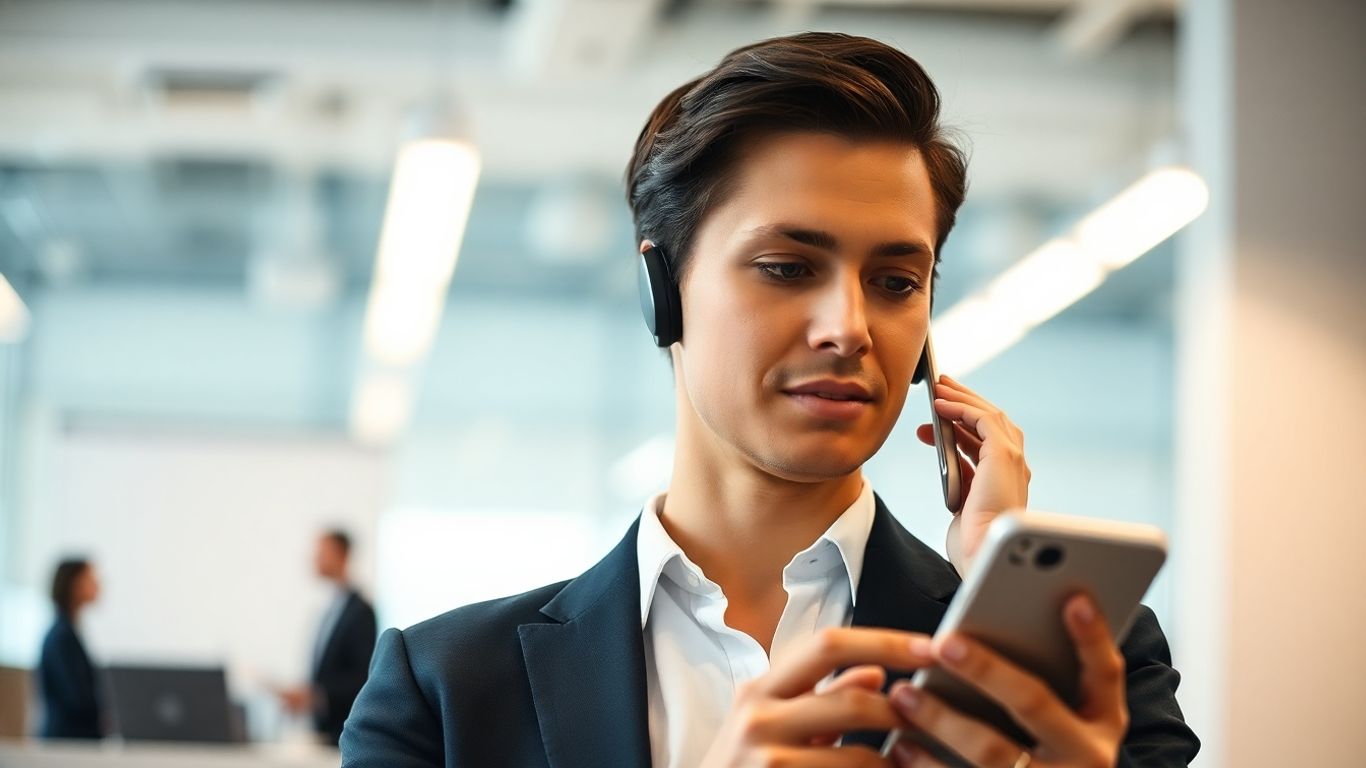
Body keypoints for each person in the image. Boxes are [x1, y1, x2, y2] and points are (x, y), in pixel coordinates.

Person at [341, 32, 1200, 767]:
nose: (849, 327)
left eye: (897, 280)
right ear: (661, 289)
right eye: (789, 267)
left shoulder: (1090, 660)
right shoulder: (443, 691)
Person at [279, 530, 377, 746]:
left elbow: (363, 676)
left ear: (342, 555)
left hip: (342, 734)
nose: (314, 559)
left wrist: (316, 696)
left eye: (321, 552)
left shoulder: (360, 612)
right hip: (321, 731)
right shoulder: (329, 609)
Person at [37, 557, 103, 740]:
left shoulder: (69, 633)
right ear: (74, 585)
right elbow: (76, 699)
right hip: (65, 742)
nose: (98, 584)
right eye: (90, 578)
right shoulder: (61, 637)